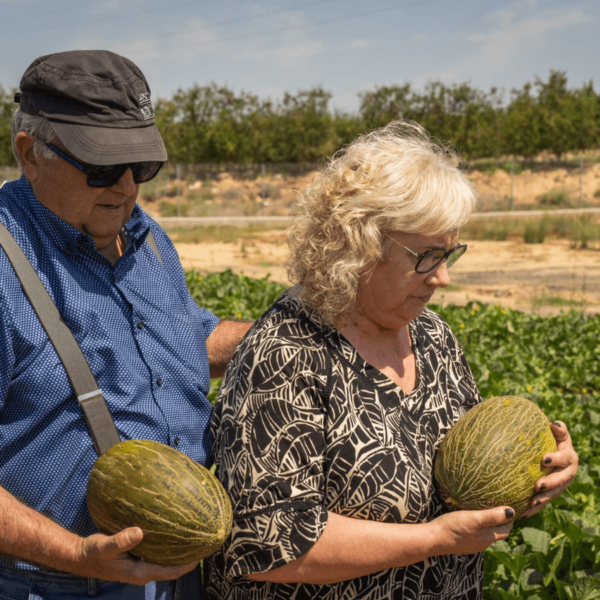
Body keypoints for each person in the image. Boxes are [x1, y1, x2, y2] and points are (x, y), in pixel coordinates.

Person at [204, 122, 579, 599]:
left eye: (450, 253)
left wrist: (537, 475)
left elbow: (477, 476)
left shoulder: (433, 336)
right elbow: (267, 543)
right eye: (425, 256)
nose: (442, 278)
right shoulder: (286, 352)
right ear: (358, 246)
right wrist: (433, 541)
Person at [0, 50, 252, 599]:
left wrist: (277, 336)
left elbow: (184, 337)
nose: (127, 188)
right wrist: (73, 553)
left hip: (177, 577)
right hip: (56, 583)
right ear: (30, 154)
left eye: (141, 167)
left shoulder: (147, 238)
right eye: (102, 168)